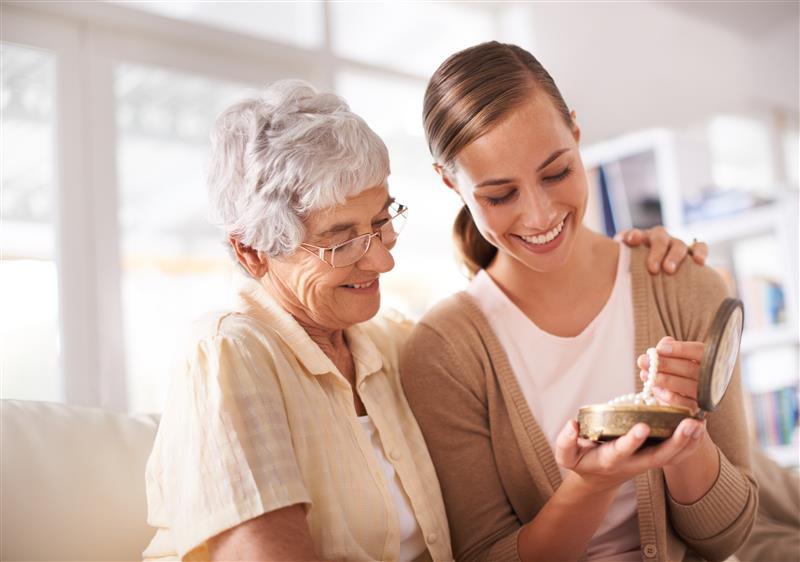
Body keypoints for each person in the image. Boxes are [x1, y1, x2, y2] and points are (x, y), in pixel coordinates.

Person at [143, 79, 704, 561]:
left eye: (383, 221)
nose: (383, 259)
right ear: (252, 253)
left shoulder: (390, 345)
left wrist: (630, 258)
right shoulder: (227, 354)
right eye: (342, 242)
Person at [400, 42, 758, 562]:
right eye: (500, 196)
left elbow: (728, 536)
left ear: (574, 129)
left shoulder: (683, 284)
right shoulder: (443, 352)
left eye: (556, 173)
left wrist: (686, 440)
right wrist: (590, 485)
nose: (540, 215)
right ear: (449, 181)